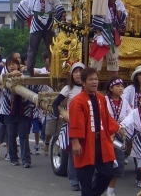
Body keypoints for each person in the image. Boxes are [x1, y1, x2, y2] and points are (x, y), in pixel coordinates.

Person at [68, 67, 123, 196]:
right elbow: (75, 123)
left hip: (101, 142)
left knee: (108, 173)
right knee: (85, 178)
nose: (94, 82)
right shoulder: (77, 101)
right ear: (83, 82)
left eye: (96, 79)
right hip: (85, 143)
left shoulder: (100, 98)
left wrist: (118, 127)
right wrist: (75, 142)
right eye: (91, 79)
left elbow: (106, 117)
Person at [52, 61, 85, 191]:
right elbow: (55, 104)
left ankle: (83, 179)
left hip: (87, 125)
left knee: (86, 153)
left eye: (80, 71)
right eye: (75, 72)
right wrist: (59, 114)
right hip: (73, 124)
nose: (78, 74)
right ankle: (74, 180)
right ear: (72, 75)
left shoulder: (87, 88)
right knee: (73, 154)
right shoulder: (68, 88)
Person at [16, 0, 66, 77]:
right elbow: (24, 5)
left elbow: (58, 5)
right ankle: (29, 70)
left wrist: (61, 13)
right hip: (36, 22)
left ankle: (54, 70)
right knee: (32, 49)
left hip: (49, 22)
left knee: (52, 49)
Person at [0, 57, 33, 168]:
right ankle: (13, 158)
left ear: (18, 65)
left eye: (14, 64)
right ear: (7, 68)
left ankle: (26, 160)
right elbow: (6, 93)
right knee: (11, 136)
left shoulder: (24, 76)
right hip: (9, 111)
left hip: (23, 111)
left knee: (23, 136)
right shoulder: (5, 78)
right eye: (9, 65)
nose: (12, 66)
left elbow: (32, 88)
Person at [90, 0, 128, 77]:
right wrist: (99, 36)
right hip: (102, 34)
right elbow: (97, 18)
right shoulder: (103, 3)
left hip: (113, 35)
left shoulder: (119, 3)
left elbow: (121, 23)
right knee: (95, 66)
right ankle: (92, 86)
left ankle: (114, 85)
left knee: (114, 65)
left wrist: (119, 10)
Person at [104, 77, 132, 196]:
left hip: (119, 134)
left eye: (122, 86)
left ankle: (110, 190)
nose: (121, 88)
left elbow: (130, 116)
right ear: (111, 88)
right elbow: (103, 116)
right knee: (104, 163)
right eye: (118, 86)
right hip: (105, 134)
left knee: (118, 162)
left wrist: (122, 126)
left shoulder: (124, 102)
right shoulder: (104, 100)